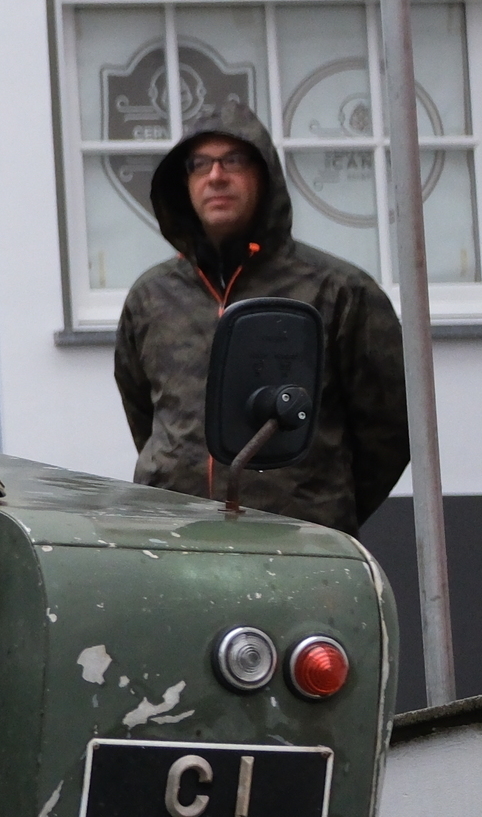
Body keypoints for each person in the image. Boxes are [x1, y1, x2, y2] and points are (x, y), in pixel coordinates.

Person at [114, 103, 409, 534]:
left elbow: (390, 428)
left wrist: (320, 507)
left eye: (233, 160)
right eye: (200, 164)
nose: (216, 176)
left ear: (264, 174)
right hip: (176, 537)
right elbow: (144, 413)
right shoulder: (151, 296)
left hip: (297, 543)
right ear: (184, 183)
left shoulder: (338, 291)